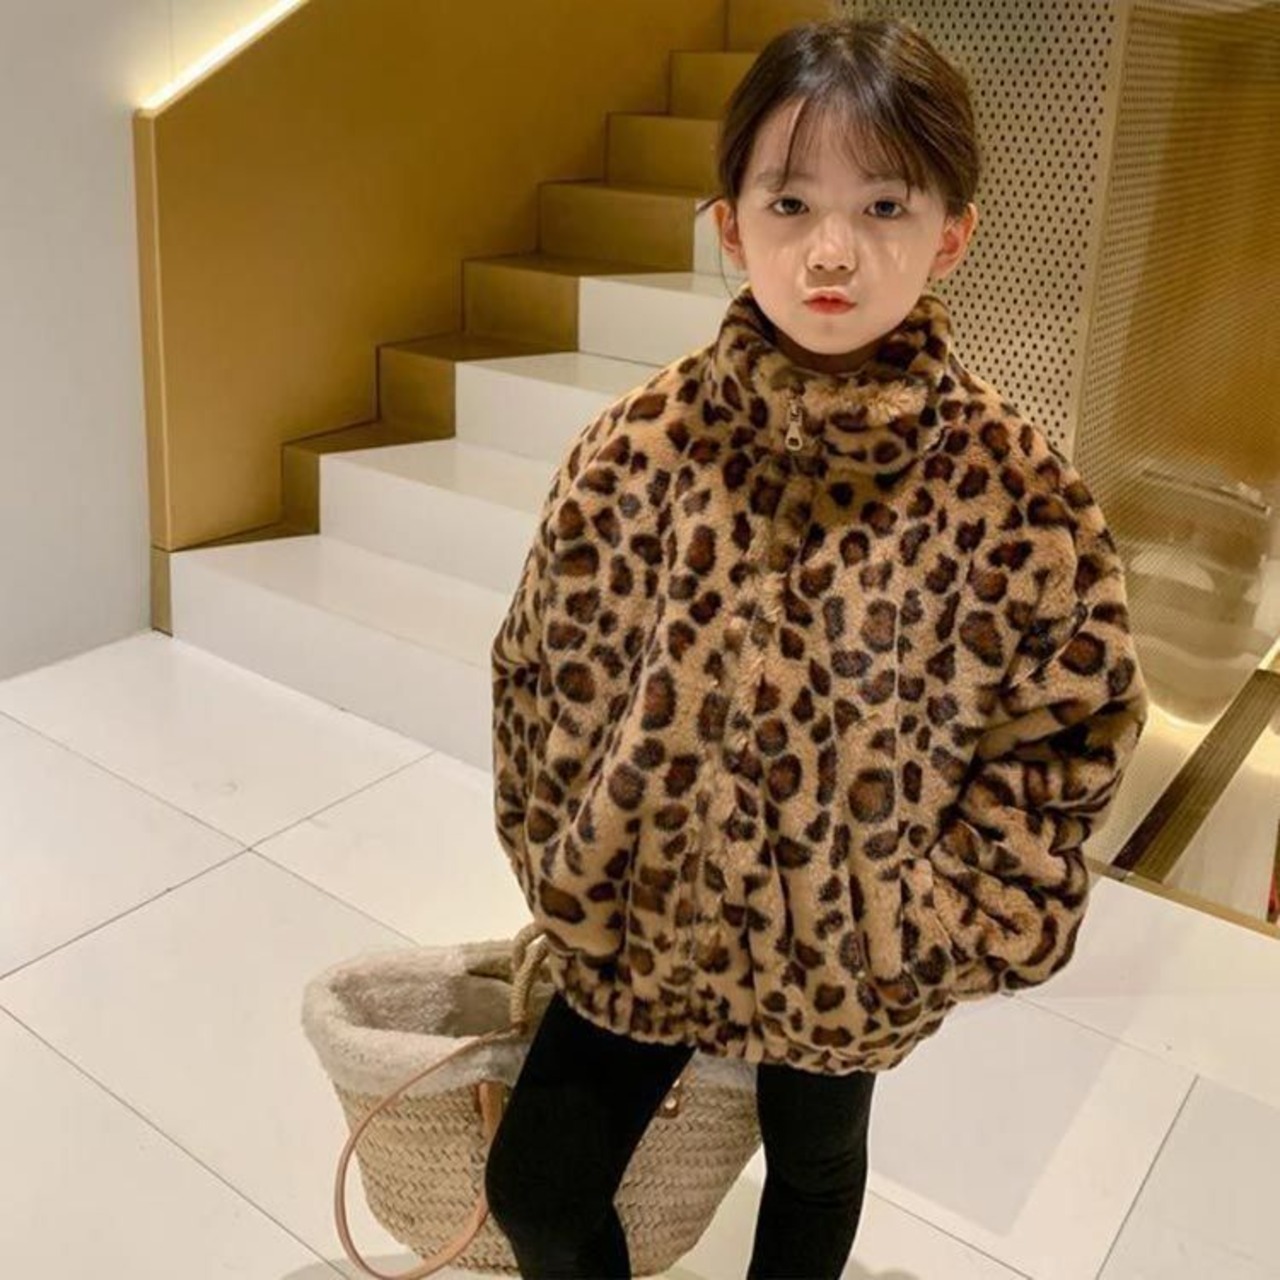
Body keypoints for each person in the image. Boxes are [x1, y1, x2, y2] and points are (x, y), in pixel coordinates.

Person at [484, 15, 1149, 1279]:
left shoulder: (1016, 497)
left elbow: (1070, 729)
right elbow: (540, 667)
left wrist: (938, 922)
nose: (832, 250)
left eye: (884, 204)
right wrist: (569, 850)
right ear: (731, 225)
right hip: (633, 927)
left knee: (814, 1168)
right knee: (537, 1185)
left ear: (949, 232)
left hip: (854, 957)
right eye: (789, 202)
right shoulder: (635, 449)